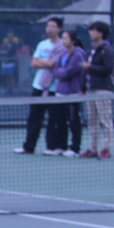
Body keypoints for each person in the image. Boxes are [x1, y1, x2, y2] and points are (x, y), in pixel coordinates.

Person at [13, 17, 64, 154]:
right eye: (48, 26)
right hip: (38, 87)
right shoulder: (42, 44)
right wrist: (48, 63)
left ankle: (51, 147)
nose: (49, 29)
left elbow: (54, 65)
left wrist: (44, 62)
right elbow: (34, 63)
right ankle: (28, 147)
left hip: (54, 88)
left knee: (53, 119)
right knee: (34, 118)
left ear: (59, 29)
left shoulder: (62, 46)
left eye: (52, 26)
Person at [48, 28, 85, 156]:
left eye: (65, 38)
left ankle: (74, 148)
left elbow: (69, 72)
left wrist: (61, 72)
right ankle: (61, 146)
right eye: (63, 38)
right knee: (60, 120)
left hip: (73, 93)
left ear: (72, 40)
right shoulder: (63, 53)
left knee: (74, 121)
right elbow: (56, 70)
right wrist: (61, 72)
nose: (63, 41)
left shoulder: (78, 55)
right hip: (60, 93)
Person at [82, 21, 114, 159]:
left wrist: (90, 67)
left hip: (103, 89)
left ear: (100, 33)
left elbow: (108, 69)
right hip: (90, 89)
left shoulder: (107, 49)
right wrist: (83, 87)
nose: (90, 33)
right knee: (92, 120)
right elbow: (86, 70)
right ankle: (93, 148)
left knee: (105, 120)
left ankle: (107, 149)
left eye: (93, 30)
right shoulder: (91, 49)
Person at [0, 27, 21, 94]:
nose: (10, 38)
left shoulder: (15, 45)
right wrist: (4, 52)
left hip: (11, 62)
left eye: (11, 37)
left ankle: (13, 88)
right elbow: (1, 51)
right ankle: (5, 88)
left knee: (11, 75)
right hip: (4, 62)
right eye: (9, 37)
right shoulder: (4, 44)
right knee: (4, 76)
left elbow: (17, 53)